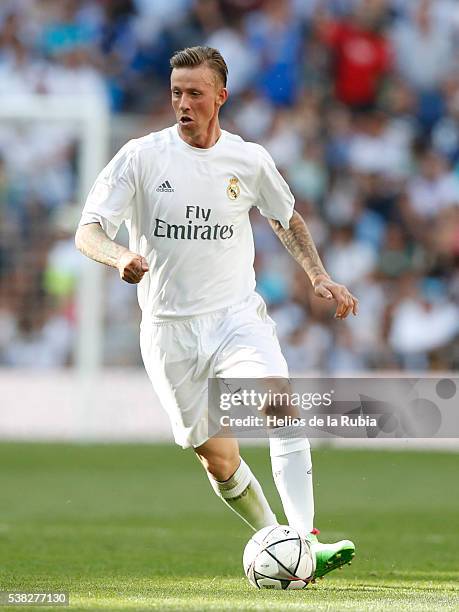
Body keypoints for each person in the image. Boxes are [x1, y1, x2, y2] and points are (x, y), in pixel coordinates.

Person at [75, 46, 358, 582]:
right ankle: (285, 550)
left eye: (195, 93)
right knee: (219, 461)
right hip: (168, 331)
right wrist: (120, 256)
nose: (183, 102)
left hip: (235, 317)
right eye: (177, 92)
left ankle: (305, 539)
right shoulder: (140, 157)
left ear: (220, 98)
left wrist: (318, 275)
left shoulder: (247, 160)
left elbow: (285, 218)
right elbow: (88, 229)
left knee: (278, 402)